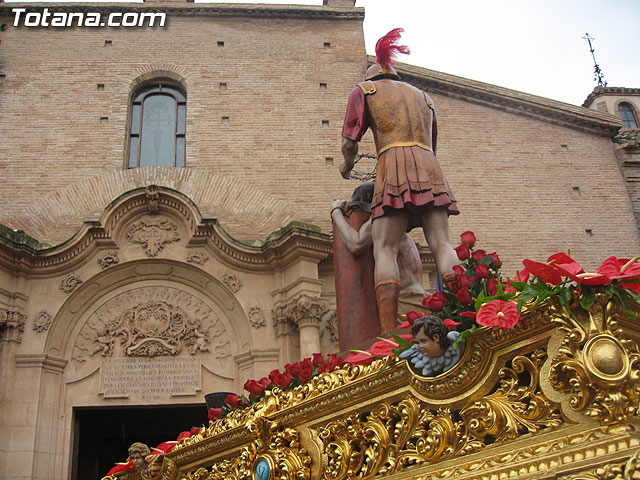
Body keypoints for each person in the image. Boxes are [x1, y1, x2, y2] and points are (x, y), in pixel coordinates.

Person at [340, 28, 460, 332]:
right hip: (429, 166)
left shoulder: (365, 91)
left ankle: (388, 330)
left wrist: (347, 164)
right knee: (442, 243)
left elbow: (349, 140)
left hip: (393, 164)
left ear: (373, 75)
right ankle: (465, 308)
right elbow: (432, 144)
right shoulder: (425, 98)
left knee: (385, 248)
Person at [331, 181, 425, 297]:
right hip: (415, 296)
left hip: (403, 299)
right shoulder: (397, 224)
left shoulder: (381, 219)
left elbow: (356, 245)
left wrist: (336, 213)